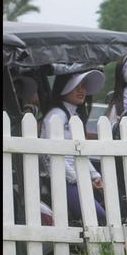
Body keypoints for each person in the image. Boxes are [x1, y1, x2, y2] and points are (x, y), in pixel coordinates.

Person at [41, 70, 107, 224]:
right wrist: (78, 179)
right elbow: (51, 154)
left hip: (76, 179)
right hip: (62, 180)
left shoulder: (74, 116)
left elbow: (79, 153)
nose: (81, 90)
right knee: (98, 217)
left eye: (83, 85)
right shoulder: (56, 115)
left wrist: (94, 175)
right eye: (76, 85)